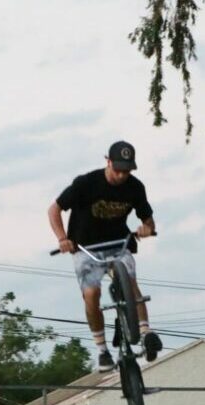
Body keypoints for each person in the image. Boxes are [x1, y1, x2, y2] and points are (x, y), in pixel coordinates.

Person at [48, 141, 162, 372]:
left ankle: (145, 331)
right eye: (118, 169)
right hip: (85, 247)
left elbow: (147, 220)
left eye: (126, 171)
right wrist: (62, 239)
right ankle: (102, 350)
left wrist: (146, 229)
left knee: (130, 280)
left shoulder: (135, 187)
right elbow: (54, 209)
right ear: (108, 162)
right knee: (92, 294)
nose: (121, 175)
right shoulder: (86, 183)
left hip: (118, 244)